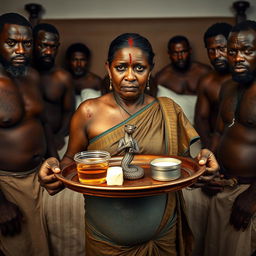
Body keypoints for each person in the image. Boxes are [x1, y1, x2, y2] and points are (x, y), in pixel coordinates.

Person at [38, 33, 219, 256]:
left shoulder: (168, 110)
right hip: (104, 241)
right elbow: (70, 162)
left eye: (139, 69)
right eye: (121, 67)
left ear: (151, 69)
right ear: (108, 68)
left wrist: (202, 165)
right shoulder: (88, 112)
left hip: (164, 236)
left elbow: (184, 169)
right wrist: (54, 167)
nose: (130, 76)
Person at [184, 20, 256, 256]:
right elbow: (218, 134)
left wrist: (252, 196)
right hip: (226, 185)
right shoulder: (227, 88)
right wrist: (211, 168)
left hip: (250, 191)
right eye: (233, 51)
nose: (237, 58)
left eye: (248, 51)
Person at [0, 13, 50, 256]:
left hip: (40, 178)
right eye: (11, 43)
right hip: (6, 184)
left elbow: (42, 122)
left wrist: (52, 159)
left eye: (27, 43)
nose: (20, 50)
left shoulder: (32, 76)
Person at [33, 23, 75, 158]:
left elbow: (69, 111)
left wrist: (60, 136)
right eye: (43, 45)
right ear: (32, 43)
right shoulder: (24, 75)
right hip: (31, 141)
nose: (49, 52)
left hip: (57, 140)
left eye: (53, 47)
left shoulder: (62, 78)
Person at [194, 23, 232, 148]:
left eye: (222, 48)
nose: (216, 55)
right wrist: (210, 149)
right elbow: (201, 119)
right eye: (211, 50)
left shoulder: (247, 78)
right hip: (216, 143)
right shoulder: (207, 82)